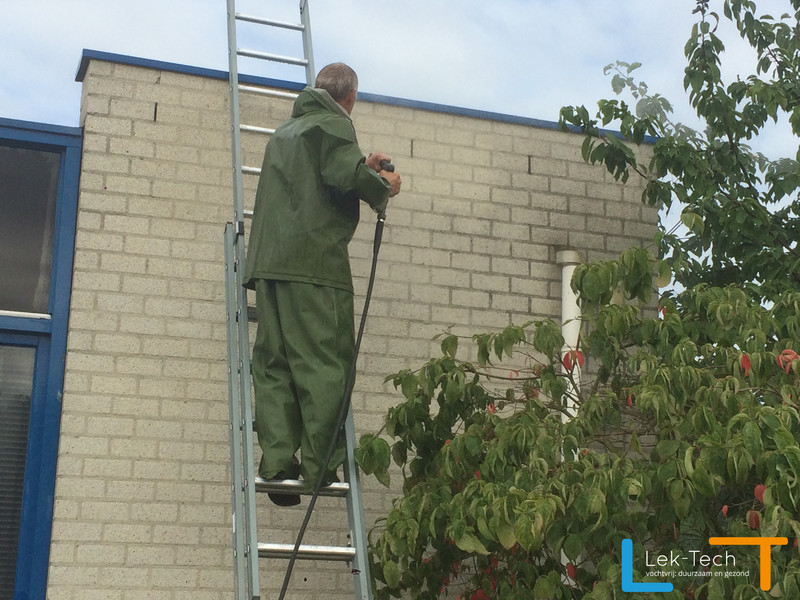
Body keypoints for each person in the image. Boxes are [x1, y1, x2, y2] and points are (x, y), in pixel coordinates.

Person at [243, 62, 402, 506]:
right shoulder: (335, 126)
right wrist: (382, 183)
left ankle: (276, 461)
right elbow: (345, 175)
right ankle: (318, 468)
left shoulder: (285, 134)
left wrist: (359, 164)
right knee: (324, 364)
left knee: (274, 363)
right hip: (315, 268)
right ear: (350, 96)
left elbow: (326, 172)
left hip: (271, 267)